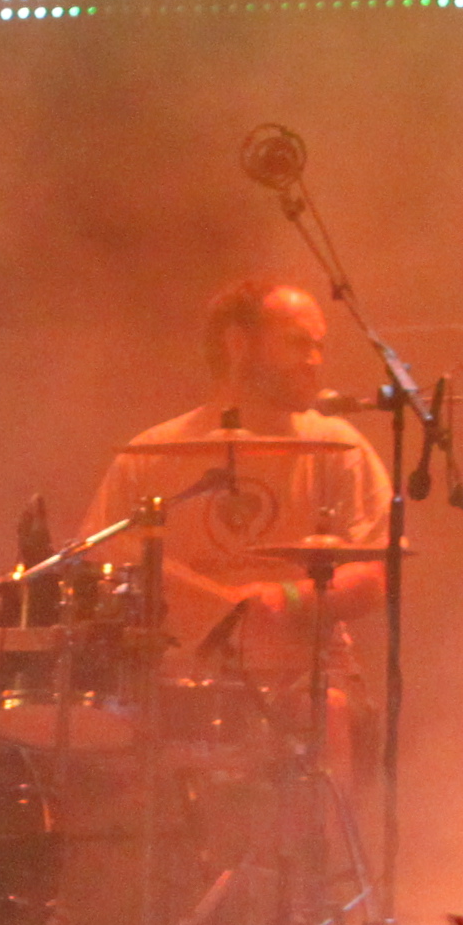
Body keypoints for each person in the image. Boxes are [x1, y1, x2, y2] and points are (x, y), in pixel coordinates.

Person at [81, 276, 390, 708]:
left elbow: (373, 576)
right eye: (298, 343)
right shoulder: (151, 454)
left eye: (319, 346)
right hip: (176, 683)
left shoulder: (339, 447)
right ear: (238, 344)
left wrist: (284, 597)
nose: (315, 360)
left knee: (329, 709)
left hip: (306, 678)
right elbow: (100, 561)